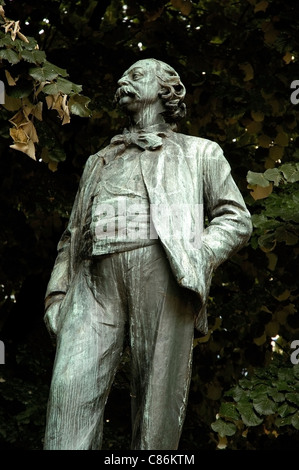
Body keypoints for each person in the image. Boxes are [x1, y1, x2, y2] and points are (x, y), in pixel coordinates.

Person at [43, 58, 252, 450]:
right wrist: (57, 294)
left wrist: (197, 255)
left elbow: (235, 218)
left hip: (163, 273)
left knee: (157, 405)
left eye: (136, 75)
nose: (123, 80)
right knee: (68, 394)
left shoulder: (200, 153)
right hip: (92, 282)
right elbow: (71, 236)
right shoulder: (98, 161)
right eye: (122, 75)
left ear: (167, 89)